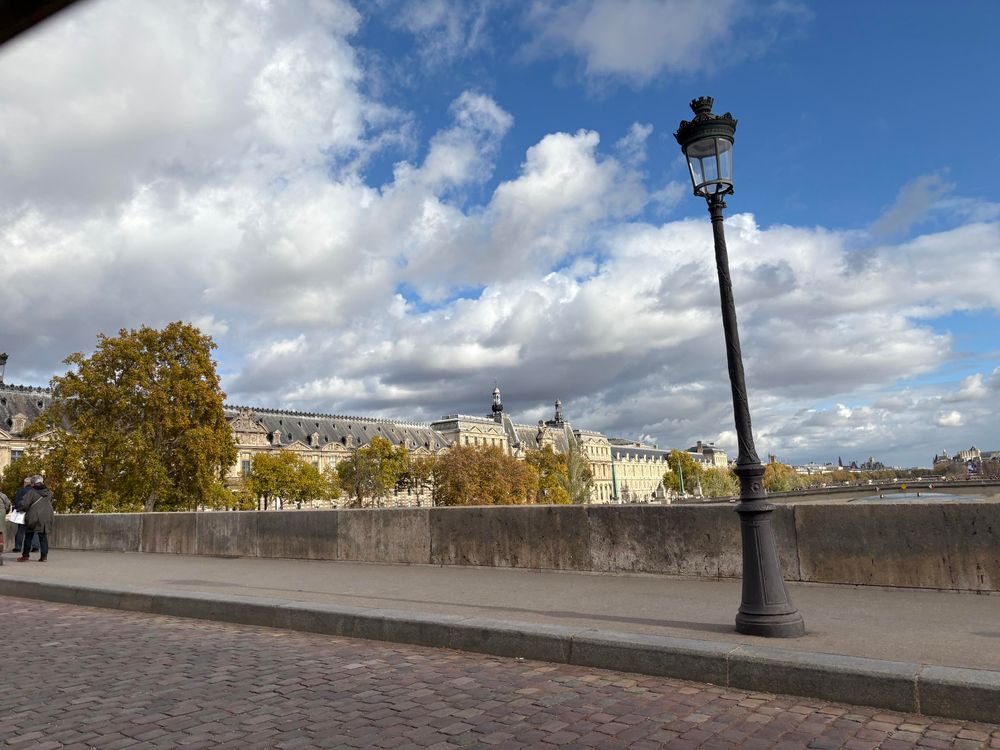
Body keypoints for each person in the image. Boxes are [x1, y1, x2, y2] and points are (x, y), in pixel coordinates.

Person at [17, 475, 53, 562]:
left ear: (33, 483)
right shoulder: (49, 493)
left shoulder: (31, 492)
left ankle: (25, 555)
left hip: (34, 516)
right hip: (47, 516)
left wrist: (19, 508)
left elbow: (25, 504)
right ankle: (44, 556)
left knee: (29, 535)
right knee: (43, 536)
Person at [12, 477, 38, 553]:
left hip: (22, 513)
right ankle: (35, 547)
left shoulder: (21, 491)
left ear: (25, 483)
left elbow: (17, 502)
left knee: (20, 531)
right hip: (34, 513)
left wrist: (18, 508)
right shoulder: (36, 491)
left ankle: (18, 547)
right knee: (34, 530)